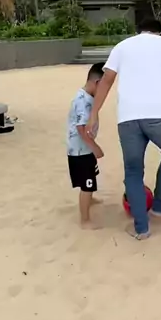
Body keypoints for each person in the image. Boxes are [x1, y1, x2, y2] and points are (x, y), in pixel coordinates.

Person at [86, 17, 161, 240]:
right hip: (159, 115)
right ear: (159, 32)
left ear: (138, 31)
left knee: (133, 171)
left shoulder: (121, 46)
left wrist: (94, 114)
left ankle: (141, 228)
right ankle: (159, 206)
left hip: (128, 118)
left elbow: (107, 81)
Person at [67, 63, 105, 230]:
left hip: (83, 149)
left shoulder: (85, 96)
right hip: (80, 151)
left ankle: (90, 198)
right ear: (97, 83)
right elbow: (81, 128)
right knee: (86, 184)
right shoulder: (83, 102)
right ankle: (85, 220)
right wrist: (95, 147)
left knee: (91, 176)